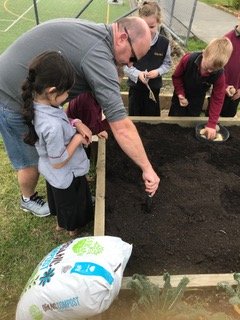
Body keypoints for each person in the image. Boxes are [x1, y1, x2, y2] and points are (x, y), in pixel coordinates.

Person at [0, 16, 160, 218]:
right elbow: (121, 126)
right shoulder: (98, 56)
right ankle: (28, 199)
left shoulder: (96, 33)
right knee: (30, 160)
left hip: (21, 86)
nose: (130, 64)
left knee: (47, 152)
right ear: (121, 37)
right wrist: (147, 168)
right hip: (8, 97)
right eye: (133, 58)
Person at [21, 51, 93, 236]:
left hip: (53, 174)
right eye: (67, 92)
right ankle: (71, 228)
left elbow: (62, 119)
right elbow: (58, 161)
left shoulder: (41, 104)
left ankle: (61, 223)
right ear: (52, 92)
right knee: (70, 203)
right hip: (64, 171)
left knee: (59, 199)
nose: (69, 95)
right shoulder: (51, 127)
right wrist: (77, 138)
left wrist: (77, 122)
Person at [168, 37, 233, 140]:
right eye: (207, 67)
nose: (210, 71)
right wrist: (180, 93)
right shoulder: (188, 59)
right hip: (180, 95)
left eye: (214, 69)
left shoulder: (219, 74)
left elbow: (218, 98)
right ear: (203, 53)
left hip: (197, 100)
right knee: (173, 124)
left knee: (191, 126)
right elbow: (176, 77)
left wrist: (212, 123)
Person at [124, 1, 171, 116]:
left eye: (151, 26)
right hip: (136, 90)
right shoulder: (132, 41)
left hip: (153, 90)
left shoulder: (164, 43)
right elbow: (125, 64)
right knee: (135, 118)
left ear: (158, 23)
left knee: (151, 120)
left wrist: (158, 72)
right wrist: (138, 74)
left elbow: (167, 64)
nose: (147, 30)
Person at [220, 23, 240, 117]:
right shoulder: (227, 39)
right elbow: (217, 67)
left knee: (229, 120)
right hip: (221, 89)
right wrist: (225, 86)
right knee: (214, 118)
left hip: (237, 93)